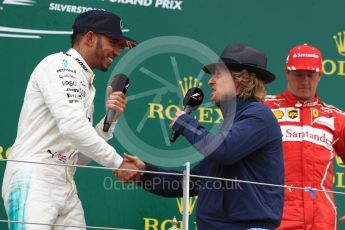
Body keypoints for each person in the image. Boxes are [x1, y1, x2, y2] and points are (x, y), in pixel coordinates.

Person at [118, 44, 284, 229]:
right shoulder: (234, 124)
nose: (210, 82)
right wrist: (144, 172)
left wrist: (186, 123)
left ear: (242, 78)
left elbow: (223, 150)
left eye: (218, 75)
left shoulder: (259, 116)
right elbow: (190, 182)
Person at [2, 10, 139, 229]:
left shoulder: (84, 80)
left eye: (120, 46)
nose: (117, 51)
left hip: (64, 182)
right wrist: (117, 163)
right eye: (114, 42)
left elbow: (75, 158)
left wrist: (108, 122)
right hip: (34, 177)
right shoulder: (60, 65)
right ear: (90, 37)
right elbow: (73, 127)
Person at [265, 43, 345, 230]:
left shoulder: (335, 117)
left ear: (320, 75)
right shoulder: (264, 108)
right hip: (273, 217)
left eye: (310, 75)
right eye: (299, 75)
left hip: (321, 220)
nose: (305, 81)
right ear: (287, 73)